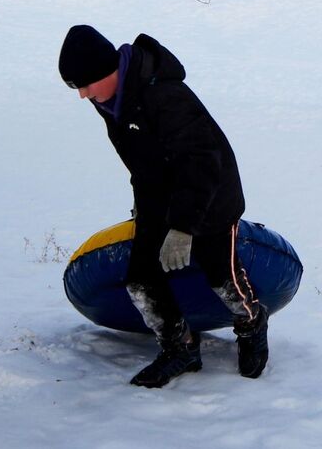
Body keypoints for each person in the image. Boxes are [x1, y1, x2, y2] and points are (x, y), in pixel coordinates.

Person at [59, 24, 268, 388]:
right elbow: (142, 163)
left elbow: (202, 161)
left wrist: (185, 226)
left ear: (108, 71)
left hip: (212, 193)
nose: (82, 96)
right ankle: (181, 347)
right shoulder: (109, 101)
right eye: (75, 88)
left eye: (84, 85)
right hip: (161, 198)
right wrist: (146, 210)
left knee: (221, 275)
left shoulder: (165, 95)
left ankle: (251, 322)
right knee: (141, 281)